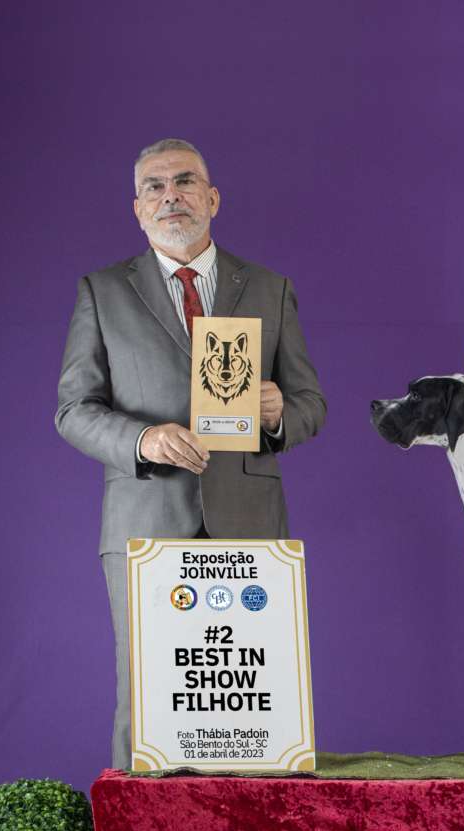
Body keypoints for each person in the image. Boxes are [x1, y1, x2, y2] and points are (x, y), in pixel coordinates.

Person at [56, 138, 325, 770]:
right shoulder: (101, 292)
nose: (169, 195)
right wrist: (143, 440)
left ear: (212, 198)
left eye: (184, 182)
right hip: (144, 525)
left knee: (255, 704)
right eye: (154, 186)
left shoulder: (268, 286)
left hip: (249, 521)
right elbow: (72, 410)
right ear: (137, 208)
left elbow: (312, 404)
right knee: (148, 702)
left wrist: (279, 412)